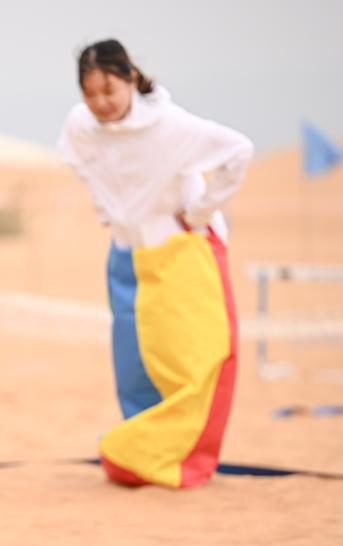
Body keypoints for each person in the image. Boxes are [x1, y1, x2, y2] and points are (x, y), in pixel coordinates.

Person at [58, 39, 253, 489]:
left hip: (181, 251)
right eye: (90, 93)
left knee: (189, 359)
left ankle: (182, 457)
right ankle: (141, 455)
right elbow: (77, 161)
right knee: (133, 361)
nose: (99, 103)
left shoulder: (171, 126)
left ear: (129, 78)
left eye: (109, 89)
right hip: (126, 254)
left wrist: (202, 211)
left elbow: (238, 150)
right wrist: (107, 212)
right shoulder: (81, 125)